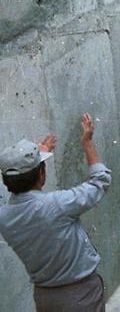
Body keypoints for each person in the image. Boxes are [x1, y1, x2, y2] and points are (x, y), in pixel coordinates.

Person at [0, 113, 111, 312]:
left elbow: (26, 185)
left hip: (45, 298)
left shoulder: (4, 217)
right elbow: (101, 181)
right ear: (42, 175)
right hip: (81, 295)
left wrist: (37, 156)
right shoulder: (58, 204)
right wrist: (87, 142)